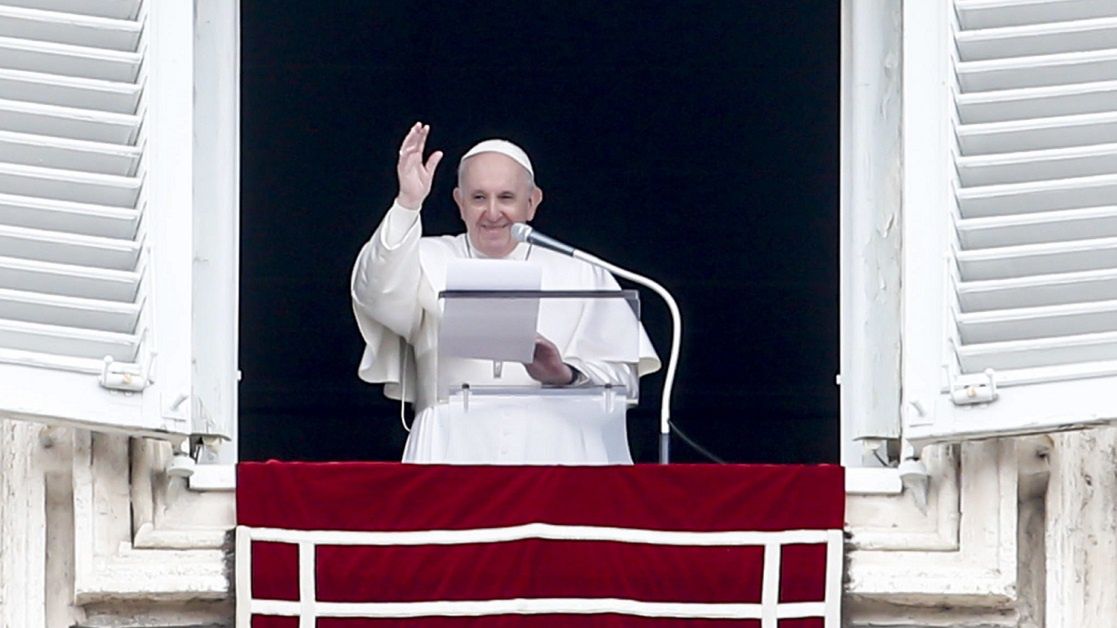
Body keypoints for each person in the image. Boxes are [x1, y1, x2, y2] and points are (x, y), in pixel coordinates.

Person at [351, 122, 659, 464]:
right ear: (460, 202)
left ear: (532, 202)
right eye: (479, 197)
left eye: (507, 198)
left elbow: (622, 383)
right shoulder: (425, 258)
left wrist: (564, 374)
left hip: (557, 453)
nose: (493, 213)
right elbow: (375, 292)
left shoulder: (582, 271)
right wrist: (408, 203)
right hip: (450, 449)